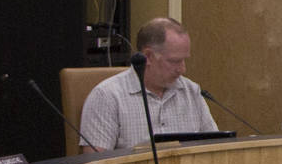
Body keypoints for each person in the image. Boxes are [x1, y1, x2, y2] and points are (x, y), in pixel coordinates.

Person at [78, 17, 218, 151]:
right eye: (175, 61)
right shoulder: (106, 97)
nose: (182, 69)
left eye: (184, 60)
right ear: (148, 56)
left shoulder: (191, 91)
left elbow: (213, 149)